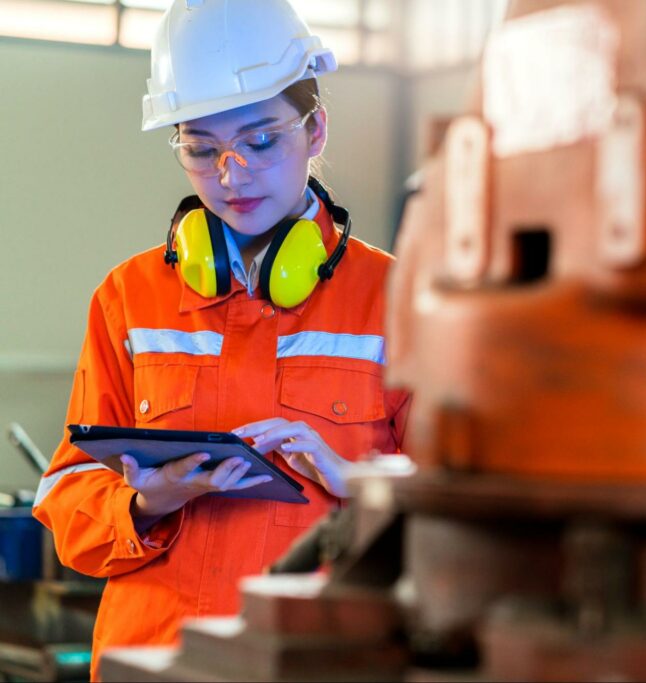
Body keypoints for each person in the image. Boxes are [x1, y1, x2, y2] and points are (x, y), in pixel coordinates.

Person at [31, 0, 410, 678]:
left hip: (321, 660)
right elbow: (66, 494)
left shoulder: (398, 300)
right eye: (201, 149)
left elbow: (460, 522)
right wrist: (147, 502)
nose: (231, 175)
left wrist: (358, 484)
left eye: (261, 140)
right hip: (152, 661)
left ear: (315, 129)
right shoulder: (129, 297)